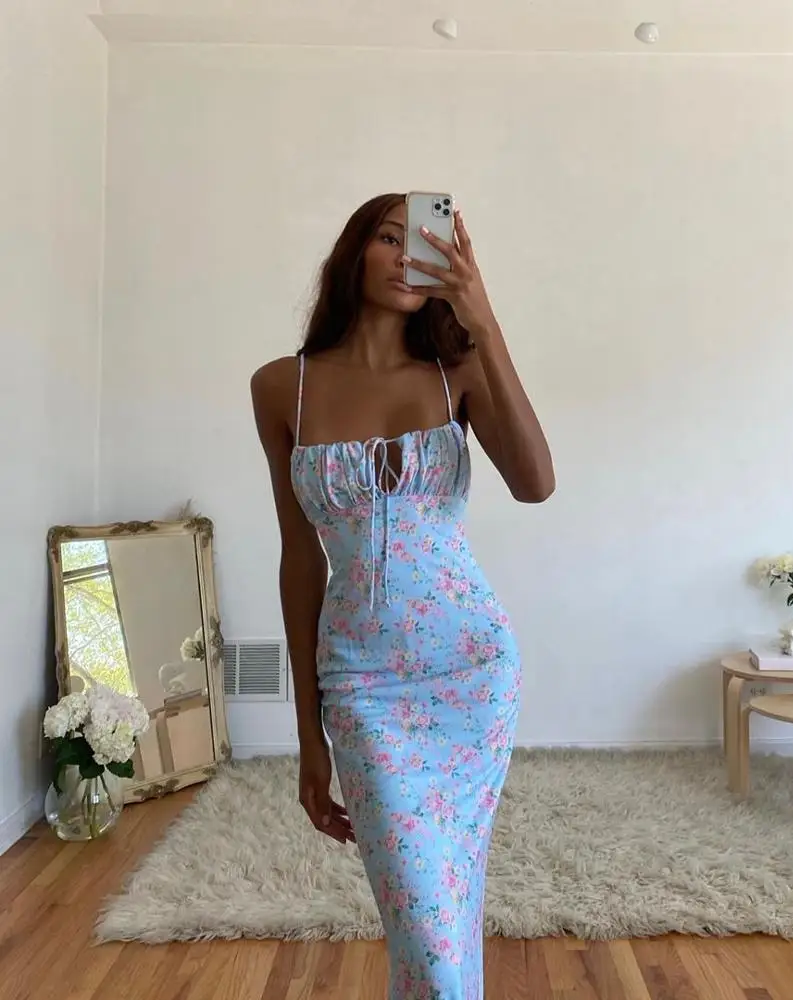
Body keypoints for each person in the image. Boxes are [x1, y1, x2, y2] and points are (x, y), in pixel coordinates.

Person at [250, 193, 554, 998]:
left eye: (429, 242)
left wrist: (483, 319)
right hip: (362, 683)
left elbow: (536, 482)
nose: (409, 255)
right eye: (392, 237)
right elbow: (299, 559)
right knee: (420, 914)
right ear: (355, 251)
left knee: (447, 904)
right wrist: (308, 735)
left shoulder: (459, 373)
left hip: (472, 671)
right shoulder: (283, 388)